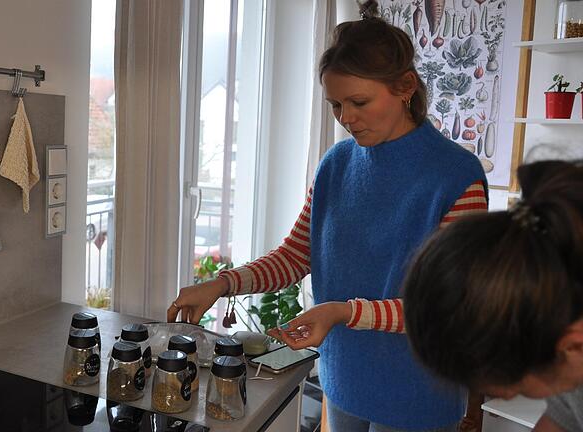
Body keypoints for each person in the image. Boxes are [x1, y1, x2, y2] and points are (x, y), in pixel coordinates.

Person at [168, 1, 488, 430]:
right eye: (335, 105)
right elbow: (295, 256)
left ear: (406, 86)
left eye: (359, 101)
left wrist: (343, 312)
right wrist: (223, 284)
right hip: (344, 382)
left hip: (419, 393)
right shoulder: (336, 164)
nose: (347, 119)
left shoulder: (455, 177)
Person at [403, 160, 583, 432]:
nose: (506, 396)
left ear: (572, 345)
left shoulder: (561, 335)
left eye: (514, 389)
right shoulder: (562, 315)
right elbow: (564, 416)